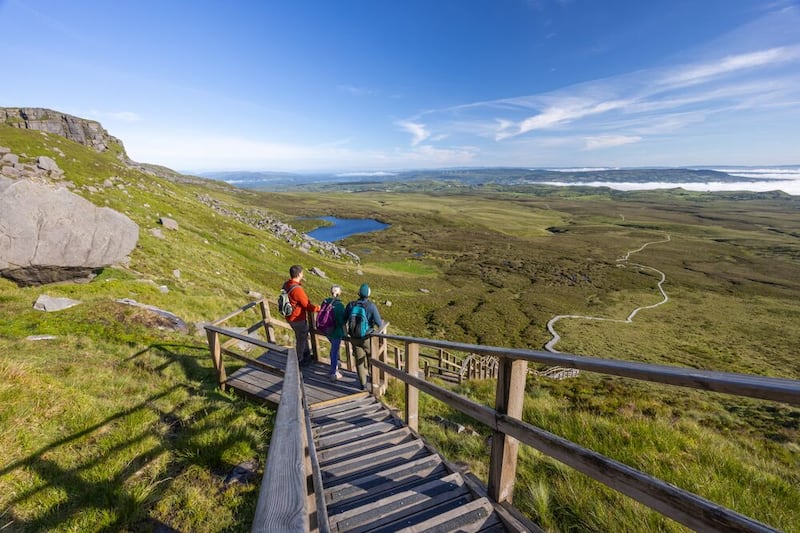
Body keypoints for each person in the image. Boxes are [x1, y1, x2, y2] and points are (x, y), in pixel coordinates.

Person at [345, 283, 384, 390]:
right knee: (371, 358)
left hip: (354, 338)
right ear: (368, 294)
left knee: (359, 361)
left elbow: (344, 319)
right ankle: (373, 379)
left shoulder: (351, 305)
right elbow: (379, 323)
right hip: (367, 338)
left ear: (359, 293)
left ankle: (363, 384)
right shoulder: (371, 306)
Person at [282, 265, 320, 366]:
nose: (303, 274)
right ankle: (299, 359)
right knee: (301, 338)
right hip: (297, 318)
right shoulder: (297, 289)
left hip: (289, 316)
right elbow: (307, 305)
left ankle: (306, 354)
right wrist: (318, 308)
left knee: (302, 336)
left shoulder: (286, 284)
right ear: (299, 274)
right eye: (302, 273)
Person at [321, 285, 347, 381]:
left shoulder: (325, 301)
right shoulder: (339, 306)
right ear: (339, 293)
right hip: (335, 331)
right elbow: (341, 322)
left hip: (325, 329)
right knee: (334, 351)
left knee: (334, 349)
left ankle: (335, 366)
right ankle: (333, 373)